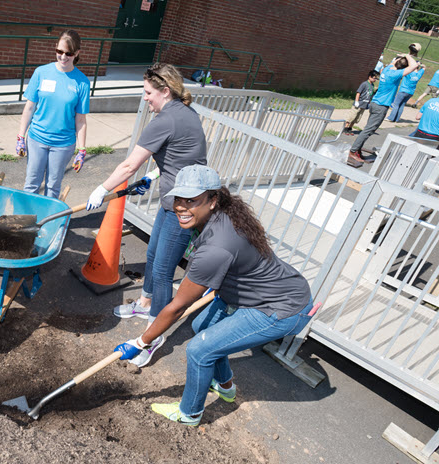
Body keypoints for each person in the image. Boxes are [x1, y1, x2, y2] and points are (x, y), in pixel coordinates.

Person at [114, 165, 313, 426]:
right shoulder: (223, 214)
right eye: (179, 199)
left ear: (213, 200)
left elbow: (177, 307)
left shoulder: (216, 248)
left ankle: (190, 413)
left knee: (200, 350)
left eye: (192, 200)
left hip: (279, 308)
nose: (182, 208)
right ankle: (226, 386)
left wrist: (141, 342)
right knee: (201, 325)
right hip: (264, 292)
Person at [86, 63, 207, 367]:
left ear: (165, 91)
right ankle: (145, 303)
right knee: (153, 255)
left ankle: (154, 336)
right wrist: (154, 177)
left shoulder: (165, 119)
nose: (145, 98)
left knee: (165, 270)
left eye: (148, 92)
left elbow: (128, 166)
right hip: (174, 198)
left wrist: (101, 188)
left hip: (185, 208)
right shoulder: (184, 113)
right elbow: (182, 155)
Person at [16, 30, 90, 199]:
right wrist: (21, 136)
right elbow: (29, 108)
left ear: (77, 53)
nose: (63, 57)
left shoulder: (82, 82)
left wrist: (82, 149)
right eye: (60, 52)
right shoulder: (41, 72)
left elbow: (80, 119)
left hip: (63, 144)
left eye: (69, 54)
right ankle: (27, 221)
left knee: (53, 186)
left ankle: (48, 223)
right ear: (55, 48)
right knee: (31, 184)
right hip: (37, 139)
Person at [348, 53, 418, 168]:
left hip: (374, 103)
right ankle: (353, 151)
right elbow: (414, 66)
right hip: (381, 106)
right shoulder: (396, 74)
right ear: (403, 68)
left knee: (368, 129)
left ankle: (357, 149)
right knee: (368, 130)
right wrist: (407, 55)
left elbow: (393, 63)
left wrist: (399, 58)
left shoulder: (386, 69)